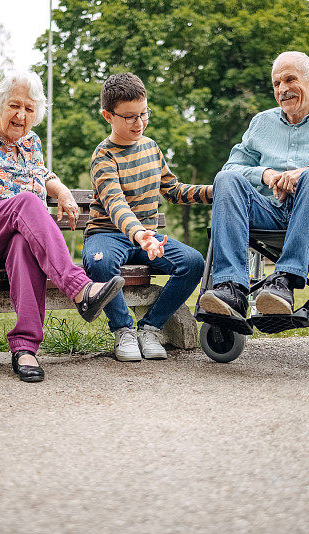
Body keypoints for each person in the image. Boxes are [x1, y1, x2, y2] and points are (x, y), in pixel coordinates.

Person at [0, 70, 124, 383]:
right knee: (28, 203)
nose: (21, 115)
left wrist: (63, 191)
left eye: (29, 109)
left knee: (22, 242)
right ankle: (80, 288)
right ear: (0, 104)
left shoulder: (31, 143)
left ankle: (25, 347)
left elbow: (40, 174)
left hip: (8, 237)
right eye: (14, 105)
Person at [199, 51, 309, 323]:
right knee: (225, 180)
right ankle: (231, 289)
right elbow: (231, 167)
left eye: (289, 80)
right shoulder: (261, 123)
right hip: (266, 210)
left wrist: (306, 173)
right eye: (276, 84)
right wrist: (267, 175)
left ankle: (284, 282)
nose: (282, 90)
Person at [83, 73, 212, 362]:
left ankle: (151, 328)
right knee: (98, 263)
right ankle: (123, 330)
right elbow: (115, 204)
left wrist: (216, 191)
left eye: (143, 114)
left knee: (192, 262)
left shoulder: (151, 147)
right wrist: (140, 234)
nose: (139, 123)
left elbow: (174, 190)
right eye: (129, 117)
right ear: (108, 116)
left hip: (147, 240)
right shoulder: (103, 156)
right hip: (108, 234)